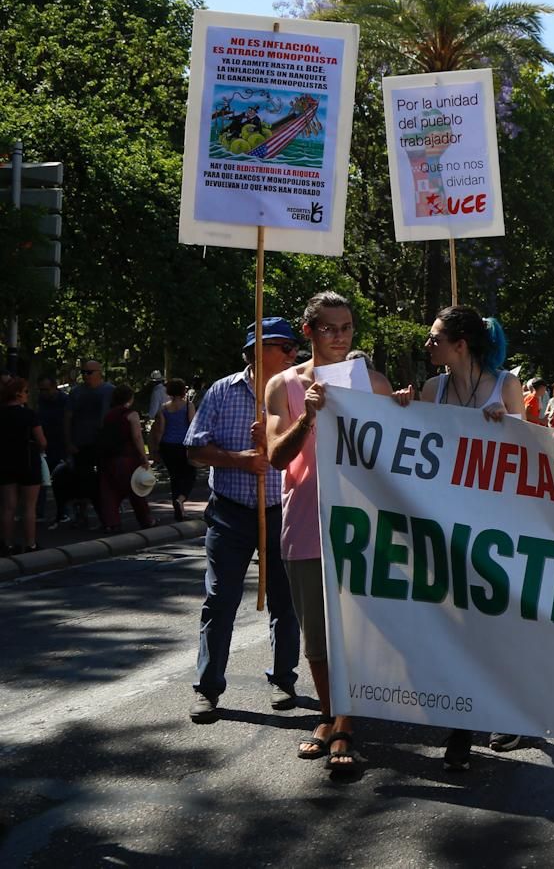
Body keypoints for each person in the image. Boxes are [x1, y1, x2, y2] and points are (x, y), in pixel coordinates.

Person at [265, 292, 401, 774]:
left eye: (346, 327)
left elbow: (410, 444)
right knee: (317, 637)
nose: (339, 336)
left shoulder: (375, 383)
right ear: (309, 332)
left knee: (359, 632)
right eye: (329, 328)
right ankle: (326, 712)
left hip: (363, 525)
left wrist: (403, 407)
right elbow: (276, 457)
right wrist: (309, 415)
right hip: (304, 522)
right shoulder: (282, 385)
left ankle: (345, 720)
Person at [415, 304, 522, 768]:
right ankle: (463, 722)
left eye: (435, 338)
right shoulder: (430, 389)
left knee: (496, 624)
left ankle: (505, 711)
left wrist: (510, 424)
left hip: (498, 525)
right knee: (457, 623)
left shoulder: (507, 386)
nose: (428, 344)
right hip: (446, 524)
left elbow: (531, 453)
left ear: (460, 345)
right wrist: (399, 407)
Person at [186, 318, 302, 723]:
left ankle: (284, 680)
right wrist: (241, 459)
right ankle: (208, 688)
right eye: (283, 346)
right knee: (220, 600)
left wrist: (272, 439)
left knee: (286, 603)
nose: (292, 353)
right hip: (231, 513)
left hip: (284, 511)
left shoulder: (297, 391)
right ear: (257, 349)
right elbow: (194, 449)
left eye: (292, 347)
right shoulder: (222, 391)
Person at [96, 384, 154, 533]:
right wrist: (144, 457)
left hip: (108, 458)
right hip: (127, 456)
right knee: (135, 489)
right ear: (130, 398)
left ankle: (111, 522)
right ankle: (145, 519)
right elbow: (136, 436)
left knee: (110, 491)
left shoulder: (108, 415)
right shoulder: (131, 414)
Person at [63, 358, 113, 527]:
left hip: (103, 443)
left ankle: (106, 515)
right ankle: (82, 513)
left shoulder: (110, 391)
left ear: (99, 373)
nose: (85, 375)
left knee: (103, 480)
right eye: (83, 372)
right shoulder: (76, 392)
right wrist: (69, 442)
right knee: (82, 480)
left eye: (89, 372)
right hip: (81, 443)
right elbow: (68, 418)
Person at [0, 376, 46, 556]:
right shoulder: (29, 414)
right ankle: (30, 543)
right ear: (18, 394)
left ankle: (7, 543)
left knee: (7, 506)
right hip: (27, 461)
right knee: (29, 506)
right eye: (26, 391)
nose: (27, 394)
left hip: (4, 461)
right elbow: (42, 441)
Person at [150, 379, 197, 521]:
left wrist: (156, 448)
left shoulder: (164, 408)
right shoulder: (188, 405)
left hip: (168, 446)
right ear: (183, 390)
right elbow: (192, 425)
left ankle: (179, 510)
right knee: (190, 474)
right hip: (184, 446)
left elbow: (160, 430)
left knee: (175, 477)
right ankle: (181, 499)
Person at [34, 375, 68, 527]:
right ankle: (41, 511)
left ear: (54, 386)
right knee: (42, 479)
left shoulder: (65, 401)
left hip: (60, 443)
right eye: (41, 390)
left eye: (45, 389)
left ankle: (64, 512)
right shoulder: (43, 401)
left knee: (60, 480)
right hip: (47, 443)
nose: (43, 393)